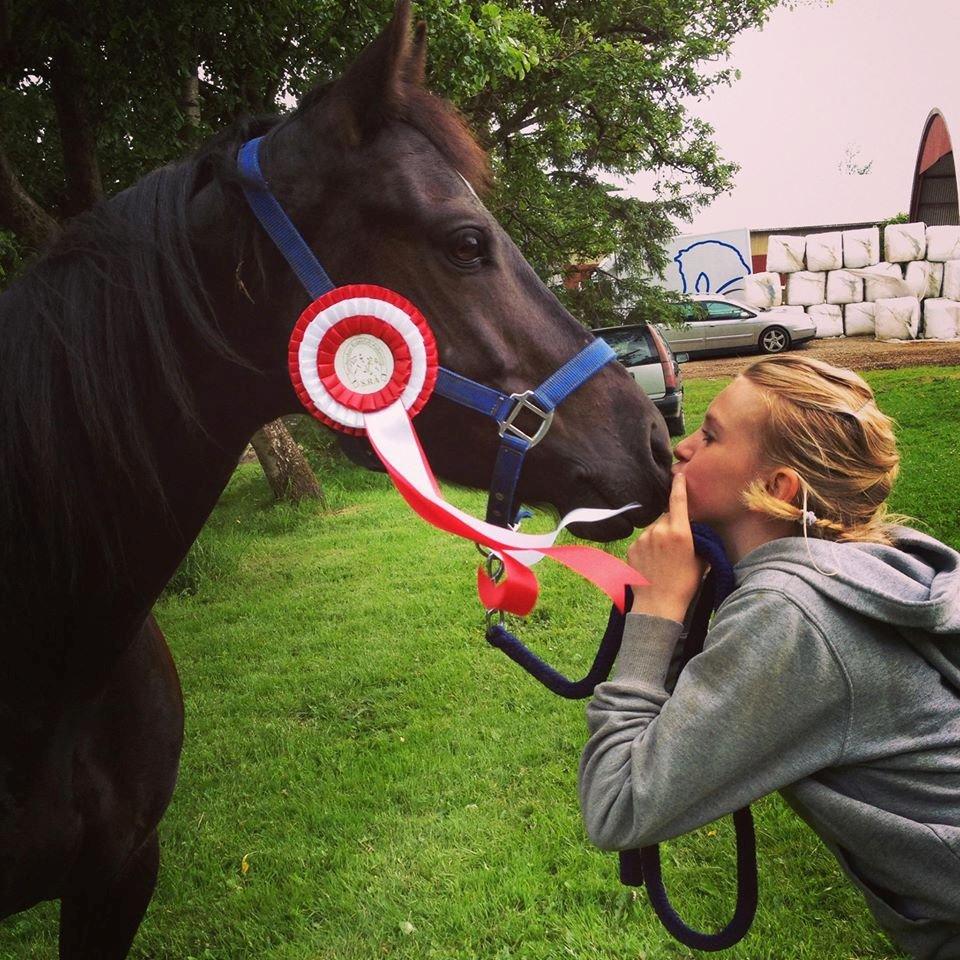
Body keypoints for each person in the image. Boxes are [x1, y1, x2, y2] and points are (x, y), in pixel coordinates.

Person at [578, 354, 960, 959]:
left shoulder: (793, 615)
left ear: (776, 488)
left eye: (711, 435)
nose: (682, 448)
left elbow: (618, 804)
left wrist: (655, 613)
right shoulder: (865, 558)